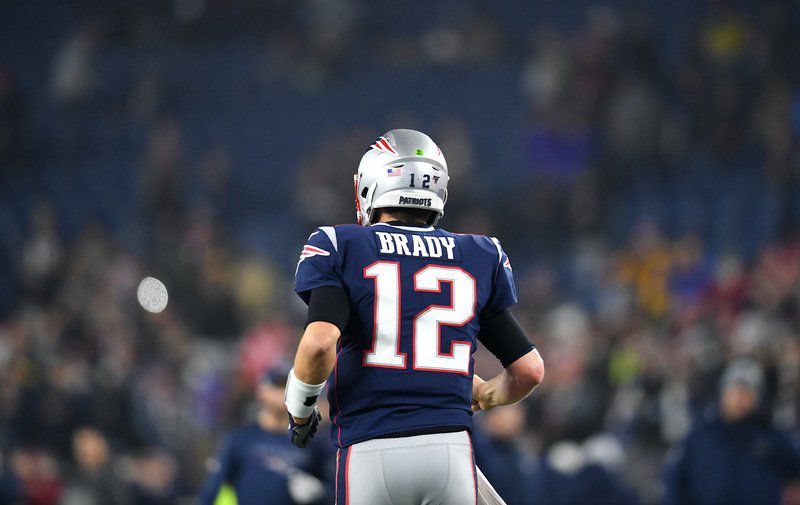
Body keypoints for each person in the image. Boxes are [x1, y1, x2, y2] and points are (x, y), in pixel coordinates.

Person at [286, 129, 545, 504]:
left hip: (369, 449)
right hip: (451, 453)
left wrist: (300, 408)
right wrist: (486, 395)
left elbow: (319, 345)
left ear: (370, 186)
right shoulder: (479, 253)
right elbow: (529, 371)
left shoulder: (341, 244)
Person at [664, 359, 800, 505]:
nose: (738, 399)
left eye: (746, 393)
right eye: (734, 392)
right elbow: (676, 478)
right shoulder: (702, 433)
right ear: (724, 393)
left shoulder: (771, 435)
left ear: (757, 398)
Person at [199, 366, 325, 505]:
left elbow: (332, 491)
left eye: (291, 386)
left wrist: (320, 494)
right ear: (261, 391)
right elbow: (211, 491)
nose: (284, 392)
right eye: (278, 386)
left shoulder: (313, 444)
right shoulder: (240, 439)